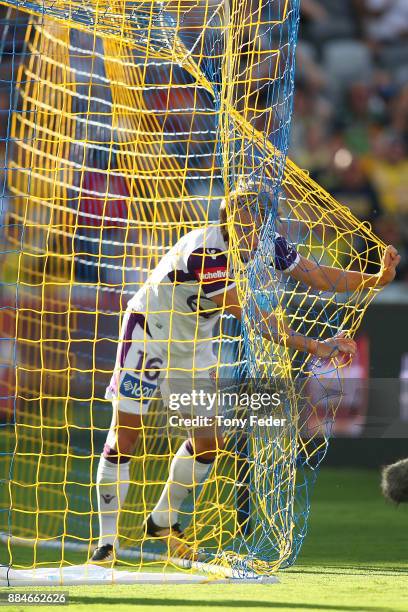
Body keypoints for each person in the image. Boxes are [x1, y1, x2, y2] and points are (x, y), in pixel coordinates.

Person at [91, 181, 400, 563]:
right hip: (149, 333)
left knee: (209, 441)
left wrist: (375, 280)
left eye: (259, 218)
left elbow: (318, 276)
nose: (253, 228)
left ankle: (162, 521)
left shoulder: (267, 242)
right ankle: (106, 542)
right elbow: (255, 319)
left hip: (194, 345)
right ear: (229, 218)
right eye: (245, 218)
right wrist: (316, 346)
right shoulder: (207, 250)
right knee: (126, 435)